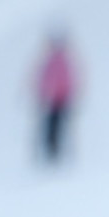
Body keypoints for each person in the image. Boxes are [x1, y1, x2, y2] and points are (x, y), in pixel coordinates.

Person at [34, 33, 77, 163]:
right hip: (53, 99)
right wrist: (42, 94)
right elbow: (44, 79)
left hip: (61, 99)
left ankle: (59, 151)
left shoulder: (63, 61)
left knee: (61, 125)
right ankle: (52, 151)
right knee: (52, 125)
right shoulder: (52, 61)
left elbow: (69, 80)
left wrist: (67, 94)